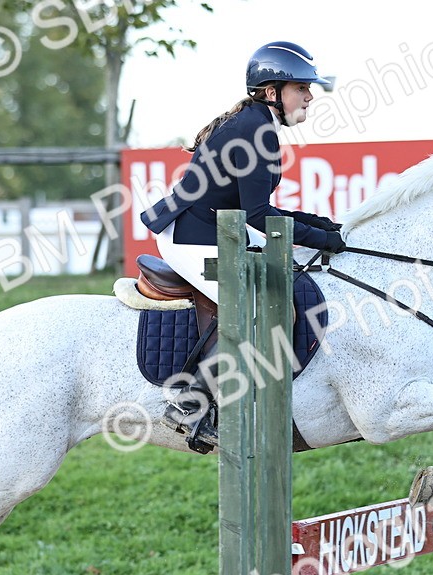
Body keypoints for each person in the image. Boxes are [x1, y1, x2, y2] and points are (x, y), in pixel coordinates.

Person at [140, 41, 345, 452]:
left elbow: (261, 209)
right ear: (272, 92)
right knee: (257, 306)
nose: (310, 95)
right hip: (189, 237)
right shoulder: (255, 130)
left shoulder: (257, 123)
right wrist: (323, 239)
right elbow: (256, 215)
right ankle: (189, 402)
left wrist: (325, 227)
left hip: (217, 227)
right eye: (302, 88)